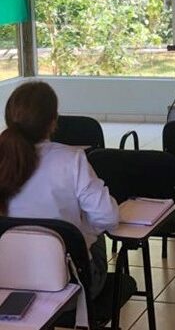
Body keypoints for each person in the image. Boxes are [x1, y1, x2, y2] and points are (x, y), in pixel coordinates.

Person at [0, 81, 119, 298]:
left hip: (7, 279)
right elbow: (108, 217)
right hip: (69, 284)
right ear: (53, 121)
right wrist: (81, 230)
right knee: (94, 234)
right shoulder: (72, 159)